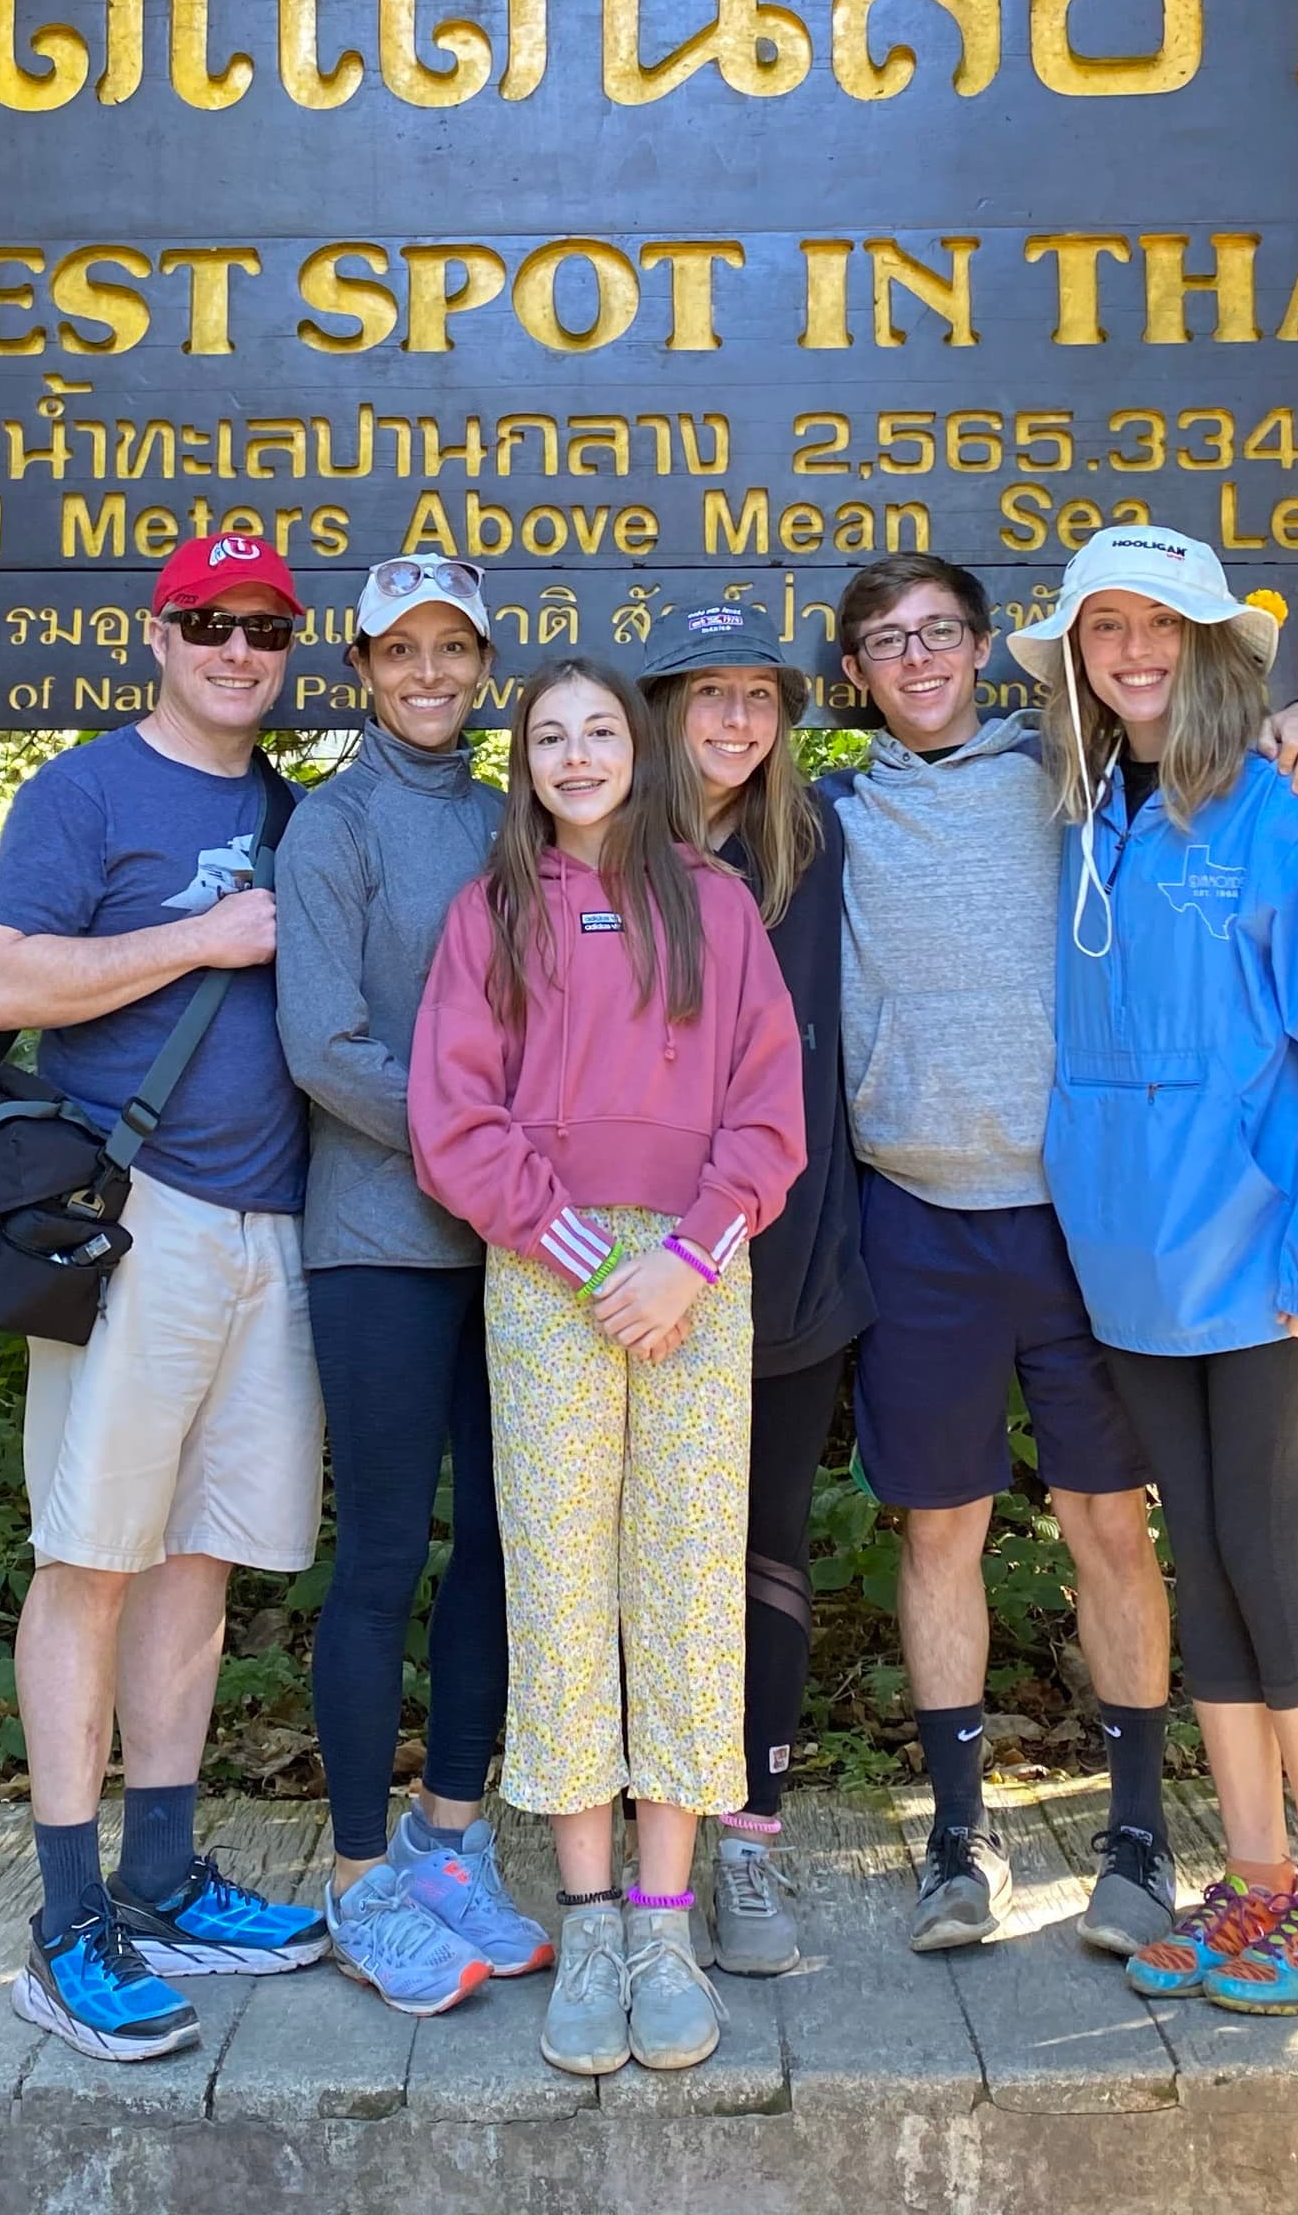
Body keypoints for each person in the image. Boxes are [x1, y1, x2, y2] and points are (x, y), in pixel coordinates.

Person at [825, 549, 1298, 1959]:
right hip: (914, 1212)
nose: (920, 660)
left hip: (1081, 1218)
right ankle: (957, 1840)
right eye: (889, 642)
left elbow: (1204, 746)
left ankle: (1135, 1836)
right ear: (856, 675)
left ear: (985, 647)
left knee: (1110, 1520)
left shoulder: (1068, 779)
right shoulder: (828, 815)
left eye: (941, 632)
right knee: (939, 1529)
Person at [1014, 521, 1298, 2016]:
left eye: (1160, 623)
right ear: (1077, 654)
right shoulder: (1078, 809)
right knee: (1202, 1554)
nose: (1132, 650)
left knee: (1267, 1551)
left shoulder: (1294, 796)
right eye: (1103, 625)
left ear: (1208, 642)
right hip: (1130, 1255)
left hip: (1265, 1253)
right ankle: (1254, 1882)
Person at [0, 531, 331, 2064]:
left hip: (277, 1228)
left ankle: (164, 1879)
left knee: (201, 1557)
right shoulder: (88, 793)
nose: (239, 651)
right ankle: (68, 1925)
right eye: (211, 623)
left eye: (265, 629)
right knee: (92, 1558)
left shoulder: (298, 812)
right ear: (161, 637)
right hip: (136, 1221)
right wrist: (203, 937)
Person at [408, 656, 805, 2079]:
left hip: (697, 1272)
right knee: (563, 1579)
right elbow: (455, 1119)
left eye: (598, 732)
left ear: (638, 748)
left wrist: (690, 1254)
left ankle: (661, 1920)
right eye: (548, 738)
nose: (576, 756)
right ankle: (586, 1918)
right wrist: (583, 1256)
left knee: (687, 1578)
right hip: (547, 1270)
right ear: (523, 762)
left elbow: (769, 1105)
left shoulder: (713, 905)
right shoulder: (493, 911)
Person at [273, 554, 552, 2014]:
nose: (429, 674)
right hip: (380, 1239)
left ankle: (450, 1838)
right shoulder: (334, 826)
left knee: (500, 1548)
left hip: (512, 1248)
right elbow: (325, 1048)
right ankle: (359, 1878)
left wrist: (528, 1171)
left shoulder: (519, 820)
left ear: (484, 666)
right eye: (401, 652)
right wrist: (479, 1152)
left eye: (454, 649)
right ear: (364, 671)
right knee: (385, 1551)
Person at [630, 598, 871, 1979]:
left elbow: (1036, 777)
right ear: (664, 711)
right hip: (633, 1266)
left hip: (787, 1254)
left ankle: (750, 1840)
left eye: (760, 696)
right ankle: (639, 1849)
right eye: (708, 693)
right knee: (647, 1558)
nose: (734, 720)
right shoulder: (602, 840)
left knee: (766, 1549)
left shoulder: (819, 839)